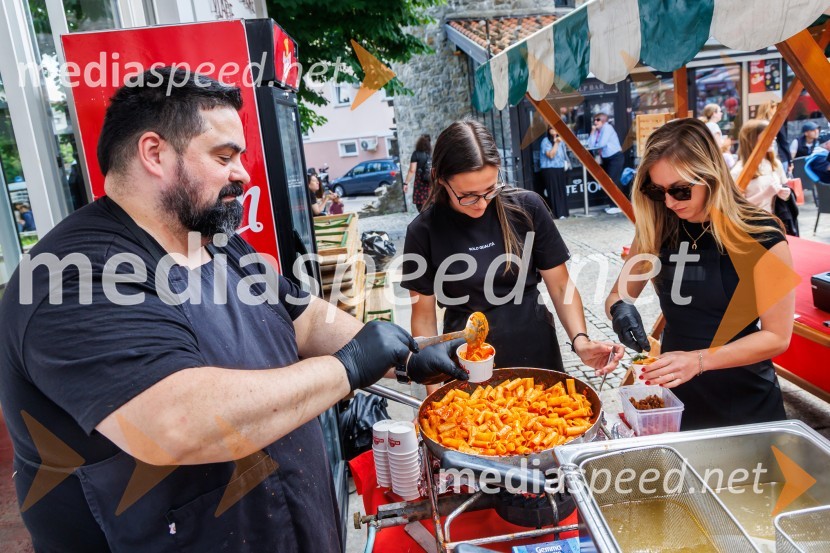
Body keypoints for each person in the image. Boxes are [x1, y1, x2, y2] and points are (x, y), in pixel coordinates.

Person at [0, 67, 467, 552]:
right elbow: (178, 424)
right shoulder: (67, 278)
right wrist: (347, 368)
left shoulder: (217, 242)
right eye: (224, 156)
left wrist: (406, 356)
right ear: (154, 153)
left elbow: (303, 317)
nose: (243, 173)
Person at [402, 120, 623, 389]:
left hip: (536, 350)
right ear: (439, 177)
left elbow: (560, 284)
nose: (482, 204)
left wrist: (581, 340)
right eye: (468, 196)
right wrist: (433, 389)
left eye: (490, 190)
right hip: (465, 362)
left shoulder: (526, 208)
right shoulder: (422, 231)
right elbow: (423, 316)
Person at [605, 118, 793, 430]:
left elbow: (777, 336)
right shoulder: (659, 225)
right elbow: (618, 294)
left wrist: (699, 360)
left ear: (711, 176)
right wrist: (620, 309)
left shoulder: (761, 233)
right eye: (656, 190)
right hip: (677, 394)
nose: (668, 202)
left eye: (680, 191)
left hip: (744, 396)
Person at [731, 119, 791, 213]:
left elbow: (784, 193)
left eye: (773, 133)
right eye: (767, 134)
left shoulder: (774, 164)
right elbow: (734, 207)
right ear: (752, 139)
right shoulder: (738, 171)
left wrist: (782, 192)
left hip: (773, 221)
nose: (774, 138)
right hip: (750, 224)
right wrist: (764, 195)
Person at [587, 113, 626, 205]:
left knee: (613, 181)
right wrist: (592, 132)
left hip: (615, 157)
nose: (595, 122)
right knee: (609, 182)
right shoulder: (597, 130)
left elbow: (601, 144)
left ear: (604, 120)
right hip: (607, 159)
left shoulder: (607, 128)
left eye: (598, 120)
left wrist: (596, 144)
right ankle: (612, 204)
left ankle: (616, 205)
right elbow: (590, 145)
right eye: (594, 120)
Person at [539, 126, 570, 219]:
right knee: (554, 191)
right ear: (548, 130)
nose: (554, 130)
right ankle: (557, 213)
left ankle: (564, 212)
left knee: (561, 190)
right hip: (549, 168)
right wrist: (556, 142)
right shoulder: (545, 141)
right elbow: (551, 155)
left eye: (555, 128)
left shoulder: (561, 140)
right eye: (551, 128)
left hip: (560, 168)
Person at [756, 100, 793, 174]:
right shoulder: (776, 122)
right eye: (775, 108)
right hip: (779, 157)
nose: (776, 111)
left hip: (762, 160)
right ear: (770, 109)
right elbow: (784, 141)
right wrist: (790, 161)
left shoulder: (757, 124)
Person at [404, 134, 432, 212]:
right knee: (432, 205)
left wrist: (406, 183)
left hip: (420, 184)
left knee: (421, 206)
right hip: (431, 182)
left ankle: (425, 220)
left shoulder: (416, 154)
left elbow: (412, 170)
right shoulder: (432, 154)